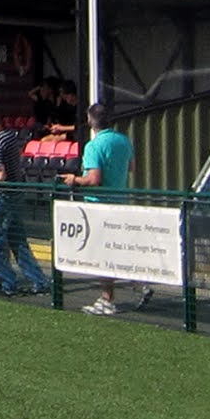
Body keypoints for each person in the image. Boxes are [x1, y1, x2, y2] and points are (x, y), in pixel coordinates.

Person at [59, 103, 147, 315]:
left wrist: (75, 179)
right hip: (120, 202)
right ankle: (139, 284)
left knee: (102, 254)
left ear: (90, 121)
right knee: (118, 249)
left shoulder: (93, 146)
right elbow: (131, 168)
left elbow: (94, 179)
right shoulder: (124, 140)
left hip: (99, 207)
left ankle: (108, 299)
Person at [0, 105, 50, 299]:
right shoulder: (11, 137)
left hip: (1, 197)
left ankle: (8, 282)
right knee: (17, 241)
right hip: (14, 195)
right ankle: (39, 281)